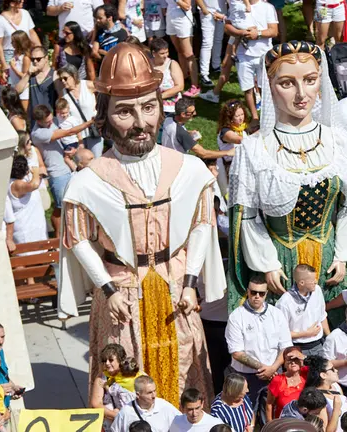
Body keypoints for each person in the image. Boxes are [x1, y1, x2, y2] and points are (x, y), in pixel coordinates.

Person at [57, 42, 225, 408]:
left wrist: (192, 282)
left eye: (149, 108)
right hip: (121, 294)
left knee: (185, 367)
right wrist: (106, 288)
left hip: (176, 289)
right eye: (125, 112)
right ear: (104, 116)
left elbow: (201, 225)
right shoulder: (88, 182)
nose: (140, 123)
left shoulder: (188, 169)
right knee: (123, 374)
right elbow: (78, 238)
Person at [227, 40, 347, 317]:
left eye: (310, 80)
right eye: (287, 83)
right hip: (281, 266)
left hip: (330, 263)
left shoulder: (341, 144)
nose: (301, 94)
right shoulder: (255, 150)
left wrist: (344, 255)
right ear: (269, 86)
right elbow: (247, 217)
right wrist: (267, 263)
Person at [226, 274, 293, 413]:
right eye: (253, 292)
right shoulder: (236, 317)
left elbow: (286, 346)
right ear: (248, 292)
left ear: (266, 294)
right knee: (246, 415)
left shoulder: (276, 314)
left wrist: (273, 368)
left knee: (272, 414)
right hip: (247, 376)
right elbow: (237, 353)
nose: (257, 296)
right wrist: (264, 369)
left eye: (261, 293)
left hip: (274, 373)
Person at [30, 104, 93, 234]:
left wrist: (72, 150)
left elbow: (65, 139)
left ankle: (70, 233)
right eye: (47, 122)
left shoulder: (49, 123)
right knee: (61, 208)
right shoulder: (38, 133)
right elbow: (69, 132)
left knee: (72, 205)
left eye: (51, 119)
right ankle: (57, 238)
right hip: (57, 174)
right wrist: (91, 122)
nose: (51, 122)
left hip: (68, 169)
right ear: (38, 121)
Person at [276, 265, 330, 357]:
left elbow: (322, 316)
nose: (316, 282)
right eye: (312, 280)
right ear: (301, 282)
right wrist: (306, 334)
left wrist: (329, 338)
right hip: (297, 349)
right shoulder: (284, 302)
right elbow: (280, 333)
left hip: (318, 346)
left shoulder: (317, 290)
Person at [58, 64, 101, 157]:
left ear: (73, 76)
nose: (63, 81)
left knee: (96, 160)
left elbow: (106, 91)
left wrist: (99, 109)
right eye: (60, 79)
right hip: (78, 138)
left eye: (65, 78)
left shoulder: (88, 85)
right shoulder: (63, 94)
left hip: (93, 131)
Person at [111, 376, 181, 432]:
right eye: (149, 393)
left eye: (154, 391)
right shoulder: (126, 412)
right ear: (138, 395)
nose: (154, 396)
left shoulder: (164, 406)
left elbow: (183, 423)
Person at [8, 151, 48, 248]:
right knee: (29, 257)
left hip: (37, 227)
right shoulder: (15, 185)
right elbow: (34, 185)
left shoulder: (23, 180)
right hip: (25, 231)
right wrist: (36, 172)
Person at [15, 45, 59, 131]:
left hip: (50, 122)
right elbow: (17, 91)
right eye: (32, 59)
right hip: (35, 123)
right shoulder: (31, 76)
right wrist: (27, 74)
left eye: (38, 59)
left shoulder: (54, 75)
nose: (35, 61)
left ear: (46, 58)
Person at [303, 356, 347, 431]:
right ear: (323, 375)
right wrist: (336, 410)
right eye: (332, 369)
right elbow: (325, 430)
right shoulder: (317, 398)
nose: (336, 370)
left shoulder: (336, 386)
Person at [265, 347, 306, 422]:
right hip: (284, 423)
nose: (293, 362)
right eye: (289, 360)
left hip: (305, 422)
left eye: (296, 359)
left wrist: (304, 357)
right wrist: (270, 424)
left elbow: (322, 366)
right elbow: (269, 404)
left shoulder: (306, 374)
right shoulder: (278, 380)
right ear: (284, 364)